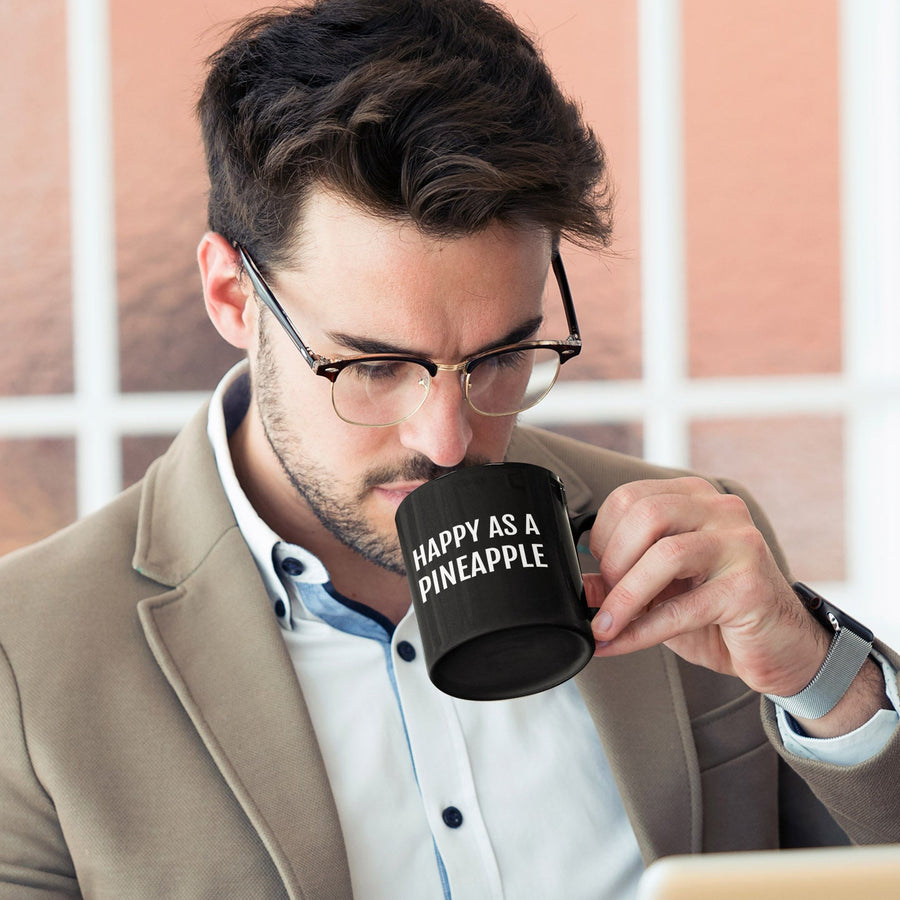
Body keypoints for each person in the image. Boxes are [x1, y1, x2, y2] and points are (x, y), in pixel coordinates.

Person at [1, 1, 898, 897]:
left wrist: (825, 686)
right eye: (377, 366)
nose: (448, 440)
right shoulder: (29, 654)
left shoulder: (692, 549)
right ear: (234, 297)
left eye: (502, 357)